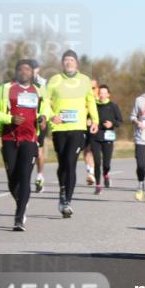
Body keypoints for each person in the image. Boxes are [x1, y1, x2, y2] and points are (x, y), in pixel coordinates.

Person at [0, 59, 50, 230]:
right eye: (21, 69)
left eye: (28, 69)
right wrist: (10, 119)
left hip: (30, 140)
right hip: (9, 138)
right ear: (16, 71)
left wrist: (43, 117)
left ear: (32, 73)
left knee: (25, 178)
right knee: (12, 180)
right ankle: (22, 201)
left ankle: (19, 215)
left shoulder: (39, 90)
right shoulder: (3, 89)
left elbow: (46, 109)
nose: (24, 72)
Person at [46, 50, 99, 218]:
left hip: (78, 128)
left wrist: (95, 120)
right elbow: (45, 101)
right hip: (59, 128)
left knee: (71, 162)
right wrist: (51, 116)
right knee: (63, 164)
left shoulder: (84, 81)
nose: (68, 63)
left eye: (71, 60)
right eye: (65, 60)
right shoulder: (54, 80)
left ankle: (67, 201)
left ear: (76, 63)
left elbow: (91, 101)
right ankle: (62, 192)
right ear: (62, 63)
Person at [90, 84, 122, 194]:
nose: (102, 95)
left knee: (106, 164)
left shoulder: (113, 106)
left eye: (104, 93)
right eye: (100, 93)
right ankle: (98, 185)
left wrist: (112, 123)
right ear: (98, 94)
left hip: (108, 136)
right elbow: (87, 118)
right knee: (97, 162)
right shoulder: (93, 105)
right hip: (95, 136)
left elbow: (120, 121)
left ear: (108, 94)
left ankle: (106, 174)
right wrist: (89, 122)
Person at [30, 60, 48, 193]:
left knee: (38, 150)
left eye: (34, 69)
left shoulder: (44, 83)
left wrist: (44, 117)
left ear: (38, 69)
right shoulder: (20, 82)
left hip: (39, 120)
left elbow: (48, 102)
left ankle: (39, 175)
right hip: (24, 120)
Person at [83, 78, 100, 186]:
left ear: (97, 88)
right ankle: (91, 172)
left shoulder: (100, 98)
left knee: (94, 151)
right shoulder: (84, 97)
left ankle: (97, 172)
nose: (91, 90)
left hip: (97, 127)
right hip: (85, 126)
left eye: (93, 88)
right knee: (86, 149)